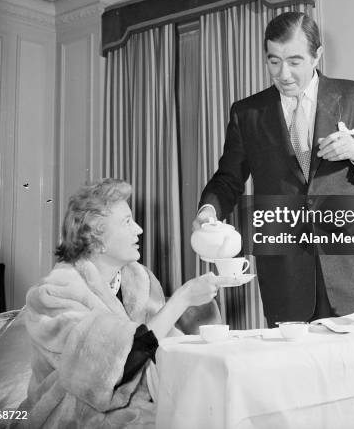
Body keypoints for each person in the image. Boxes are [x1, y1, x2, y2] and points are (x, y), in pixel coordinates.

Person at [193, 11, 354, 326]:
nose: (283, 73)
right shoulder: (247, 113)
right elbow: (228, 179)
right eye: (273, 61)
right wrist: (209, 209)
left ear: (317, 55)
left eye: (294, 61)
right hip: (284, 275)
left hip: (349, 271)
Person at [20, 178, 226, 428]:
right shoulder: (55, 294)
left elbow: (162, 349)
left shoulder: (140, 281)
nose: (139, 229)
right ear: (96, 236)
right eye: (127, 222)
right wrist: (182, 299)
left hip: (140, 405)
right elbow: (110, 372)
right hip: (71, 414)